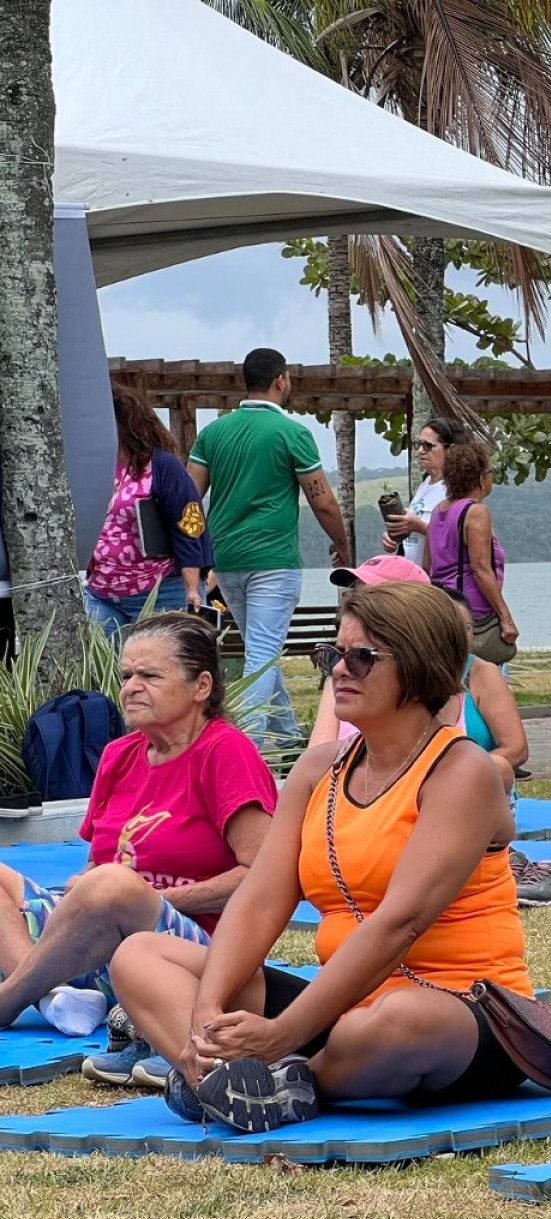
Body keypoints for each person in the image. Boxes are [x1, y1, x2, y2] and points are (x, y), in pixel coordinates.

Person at [109, 582, 534, 1133]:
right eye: (333, 655)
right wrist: (205, 1010)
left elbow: (398, 925)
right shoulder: (317, 771)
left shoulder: (463, 770)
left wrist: (282, 1033)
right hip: (345, 1008)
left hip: (456, 1011)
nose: (338, 670)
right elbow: (261, 901)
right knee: (139, 956)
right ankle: (218, 1075)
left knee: (395, 1022)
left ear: (420, 664)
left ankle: (269, 1078)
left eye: (361, 657)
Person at [0, 614, 274, 1089]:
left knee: (111, 885)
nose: (130, 687)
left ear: (201, 685)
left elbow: (262, 878)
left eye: (149, 675)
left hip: (188, 955)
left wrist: (139, 898)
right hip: (100, 941)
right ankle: (56, 995)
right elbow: (97, 862)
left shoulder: (225, 753)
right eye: (127, 675)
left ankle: (13, 997)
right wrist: (84, 894)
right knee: (81, 881)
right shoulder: (120, 754)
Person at [187, 347, 351, 749]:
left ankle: (288, 736)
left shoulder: (213, 433)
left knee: (262, 645)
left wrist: (193, 554)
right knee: (263, 652)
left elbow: (189, 500)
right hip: (274, 561)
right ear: (282, 379)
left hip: (226, 561)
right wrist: (342, 545)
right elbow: (323, 500)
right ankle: (248, 747)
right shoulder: (292, 433)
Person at [309, 555, 528, 803]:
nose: (360, 603)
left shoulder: (445, 681)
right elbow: (318, 760)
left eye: (374, 595)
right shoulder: (343, 676)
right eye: (356, 593)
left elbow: (513, 750)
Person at [87, 385, 214, 636]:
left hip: (160, 591)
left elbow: (189, 524)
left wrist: (191, 589)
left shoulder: (162, 466)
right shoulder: (96, 467)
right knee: (104, 669)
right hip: (102, 591)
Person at [425, 441, 518, 660]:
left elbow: (427, 567)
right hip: (473, 610)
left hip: (444, 606)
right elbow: (480, 568)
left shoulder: (438, 512)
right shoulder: (476, 512)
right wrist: (505, 617)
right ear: (481, 478)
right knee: (480, 678)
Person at [383, 417, 463, 568]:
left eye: (428, 446)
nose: (420, 451)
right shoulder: (426, 483)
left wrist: (418, 526)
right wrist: (395, 537)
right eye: (419, 444)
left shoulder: (456, 489)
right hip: (413, 576)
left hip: (438, 577)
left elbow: (458, 537)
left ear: (450, 450)